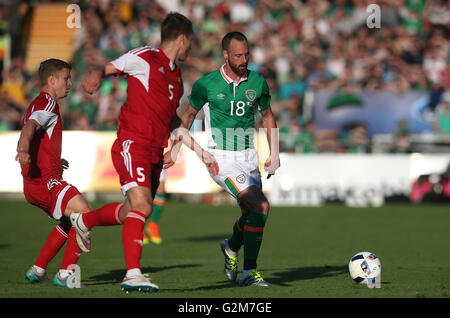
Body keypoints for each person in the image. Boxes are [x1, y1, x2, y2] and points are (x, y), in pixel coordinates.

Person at [70, 12, 217, 293]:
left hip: (154, 151)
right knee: (143, 207)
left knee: (131, 212)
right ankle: (133, 274)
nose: (191, 49)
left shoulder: (176, 76)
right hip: (132, 142)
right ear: (183, 39)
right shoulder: (146, 57)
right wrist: (95, 73)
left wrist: (200, 151)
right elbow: (108, 67)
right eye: (191, 43)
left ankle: (83, 220)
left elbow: (173, 121)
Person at [170, 31, 280, 287]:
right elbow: (186, 117)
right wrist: (174, 149)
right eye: (238, 55)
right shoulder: (206, 84)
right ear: (226, 55)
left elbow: (267, 116)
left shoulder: (257, 82)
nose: (244, 60)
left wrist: (274, 153)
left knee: (251, 215)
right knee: (261, 206)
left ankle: (231, 248)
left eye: (247, 55)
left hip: (249, 157)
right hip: (221, 158)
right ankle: (249, 273)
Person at [16, 58, 91, 287]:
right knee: (84, 213)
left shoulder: (38, 103)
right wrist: (22, 149)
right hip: (44, 182)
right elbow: (30, 127)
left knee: (70, 222)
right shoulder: (47, 103)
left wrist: (54, 159)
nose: (69, 83)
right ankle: (66, 274)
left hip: (35, 184)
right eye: (66, 78)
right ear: (52, 79)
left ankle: (38, 269)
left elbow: (36, 131)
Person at [143, 169, 166, 245]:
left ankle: (153, 225)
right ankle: (138, 228)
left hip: (158, 158)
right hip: (139, 158)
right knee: (140, 190)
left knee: (160, 189)